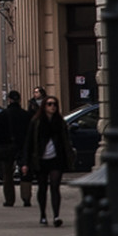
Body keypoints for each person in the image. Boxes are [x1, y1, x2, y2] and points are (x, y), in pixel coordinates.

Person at [22, 95, 74, 227]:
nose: (52, 107)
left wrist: (69, 157)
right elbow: (28, 142)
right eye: (50, 104)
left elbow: (65, 142)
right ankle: (43, 215)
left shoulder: (60, 122)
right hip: (41, 159)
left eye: (55, 104)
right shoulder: (36, 122)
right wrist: (25, 163)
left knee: (55, 186)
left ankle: (56, 215)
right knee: (42, 187)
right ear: (44, 106)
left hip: (56, 158)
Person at [0, 90, 32, 208]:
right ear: (19, 100)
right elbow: (29, 133)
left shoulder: (3, 115)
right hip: (22, 146)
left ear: (9, 100)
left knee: (7, 175)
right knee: (25, 172)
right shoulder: (26, 115)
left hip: (7, 147)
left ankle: (9, 200)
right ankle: (26, 198)